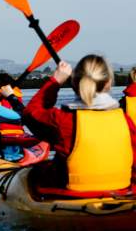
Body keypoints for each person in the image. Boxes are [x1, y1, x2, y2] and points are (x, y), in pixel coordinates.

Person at [22, 54, 136, 191]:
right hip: (119, 191)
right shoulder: (124, 120)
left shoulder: (61, 119)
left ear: (75, 84)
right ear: (109, 82)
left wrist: (55, 82)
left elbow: (30, 114)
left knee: (35, 172)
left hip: (70, 193)